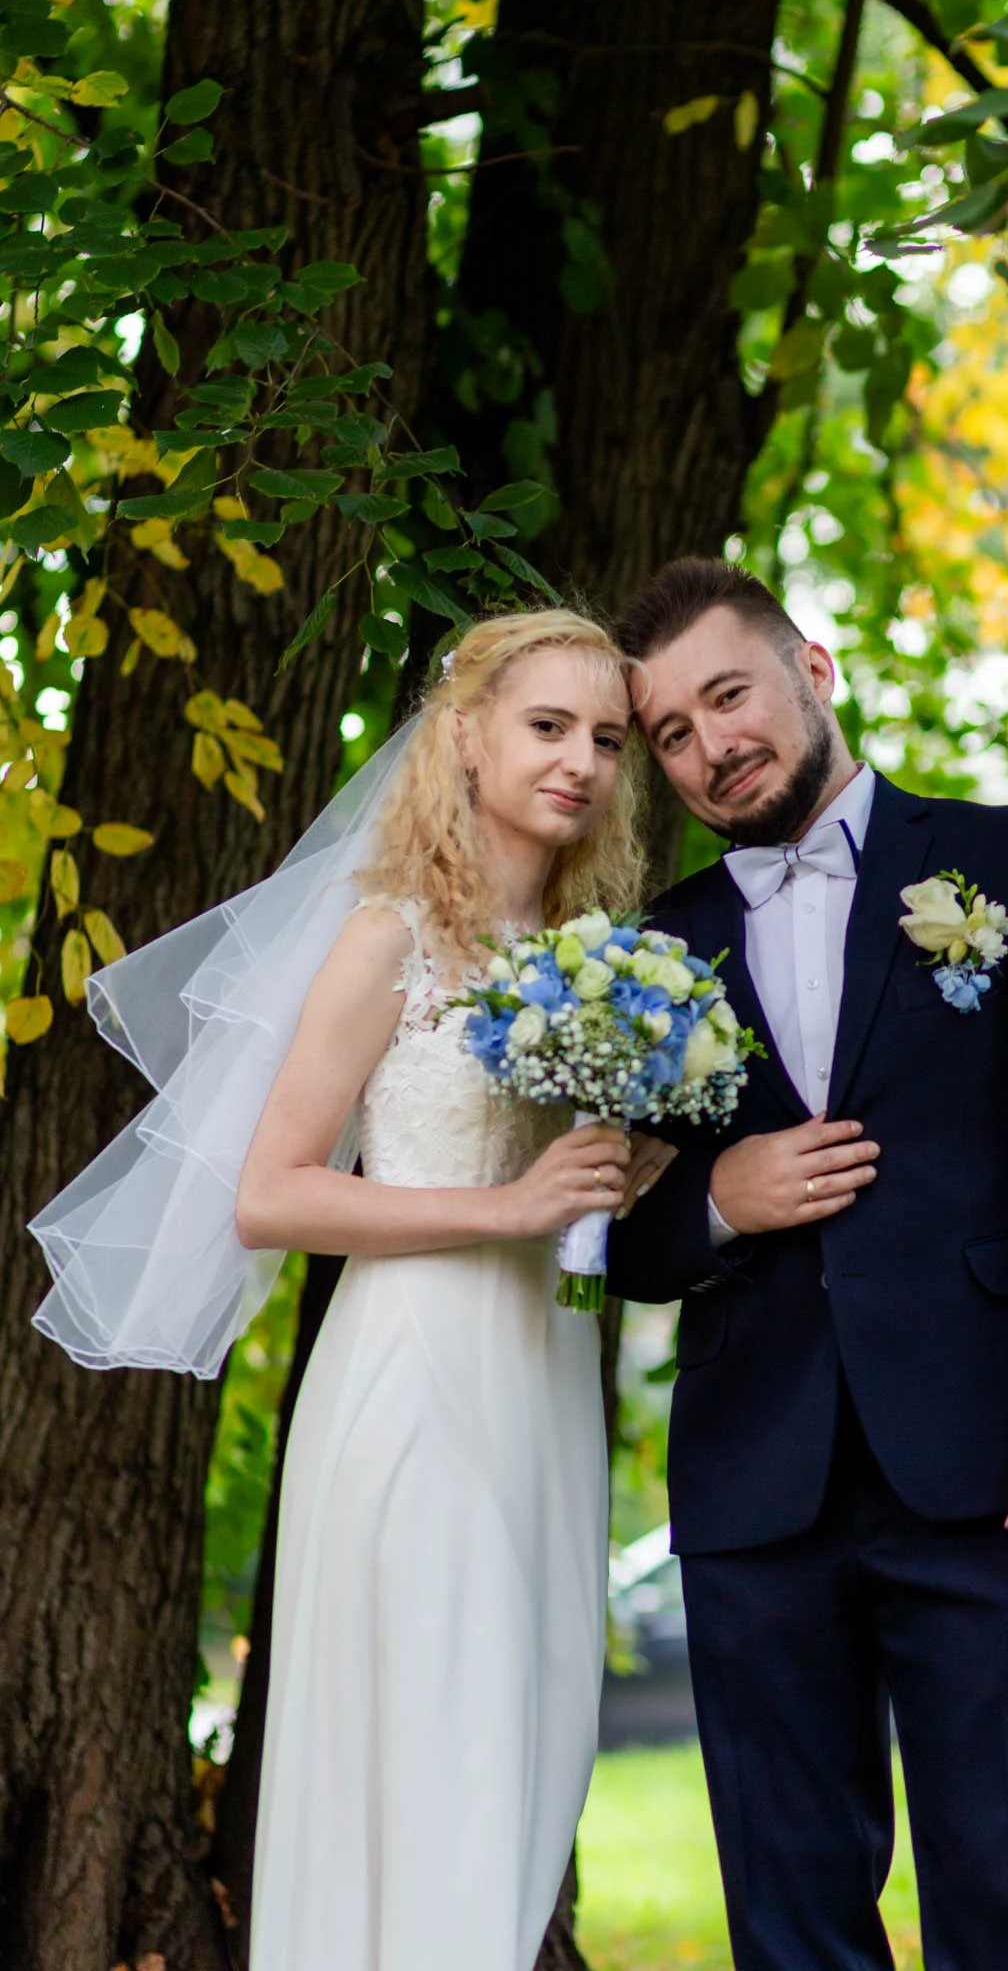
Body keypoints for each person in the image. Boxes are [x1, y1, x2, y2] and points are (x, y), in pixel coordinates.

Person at [31, 608, 656, 1971]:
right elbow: (271, 1193)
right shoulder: (391, 934)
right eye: (549, 726)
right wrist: (508, 1208)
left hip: (544, 1384)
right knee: (433, 1739)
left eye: (608, 740)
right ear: (466, 735)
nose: (582, 763)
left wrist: (639, 1150)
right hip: (415, 1375)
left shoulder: (593, 955)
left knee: (532, 1734)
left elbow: (575, 1190)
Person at [608, 558, 1008, 1971]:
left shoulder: (1007, 863)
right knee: (789, 1918)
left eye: (729, 696)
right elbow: (610, 1236)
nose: (712, 746)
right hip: (754, 1486)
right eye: (672, 732)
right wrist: (716, 1200)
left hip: (988, 1469)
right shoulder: (652, 951)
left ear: (814, 669)